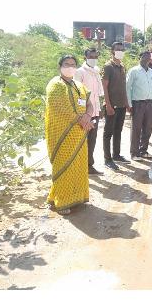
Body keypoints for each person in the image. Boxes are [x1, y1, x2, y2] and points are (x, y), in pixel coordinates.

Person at [46, 55, 94, 215]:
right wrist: (82, 120)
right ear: (60, 66)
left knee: (78, 165)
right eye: (67, 64)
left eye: (73, 64)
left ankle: (77, 197)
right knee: (64, 165)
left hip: (80, 134)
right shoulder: (55, 85)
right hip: (63, 135)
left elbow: (89, 103)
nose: (70, 67)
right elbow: (61, 108)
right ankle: (62, 201)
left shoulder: (78, 85)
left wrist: (88, 116)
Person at [74, 48, 104, 175]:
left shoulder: (96, 72)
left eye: (95, 56)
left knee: (92, 140)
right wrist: (83, 114)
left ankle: (89, 166)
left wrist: (99, 108)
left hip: (95, 112)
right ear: (85, 57)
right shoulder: (80, 72)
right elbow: (77, 94)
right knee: (82, 141)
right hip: (85, 113)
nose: (93, 59)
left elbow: (98, 93)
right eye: (91, 56)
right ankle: (79, 167)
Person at [102, 41, 130, 171]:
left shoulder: (122, 66)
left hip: (121, 105)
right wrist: (108, 105)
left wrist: (126, 103)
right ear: (112, 51)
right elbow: (104, 87)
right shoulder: (108, 67)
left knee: (118, 131)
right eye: (117, 49)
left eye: (121, 49)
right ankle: (108, 159)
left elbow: (123, 87)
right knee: (108, 133)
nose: (120, 51)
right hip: (111, 105)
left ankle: (116, 154)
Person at [126, 51, 152, 160]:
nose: (147, 58)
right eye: (144, 56)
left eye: (149, 56)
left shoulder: (151, 71)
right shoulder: (134, 71)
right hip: (137, 104)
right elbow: (127, 88)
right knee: (136, 129)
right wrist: (129, 104)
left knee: (147, 128)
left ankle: (144, 151)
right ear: (140, 58)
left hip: (149, 103)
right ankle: (134, 153)